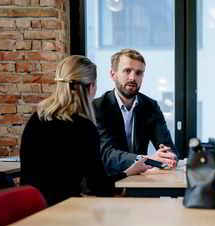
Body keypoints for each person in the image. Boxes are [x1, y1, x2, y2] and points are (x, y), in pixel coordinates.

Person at [20, 55, 151, 206]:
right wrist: (129, 172)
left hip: (31, 210)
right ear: (90, 86)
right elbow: (99, 187)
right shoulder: (83, 127)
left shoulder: (38, 117)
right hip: (63, 213)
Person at [93, 49, 178, 176]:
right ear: (113, 74)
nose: (133, 78)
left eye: (139, 73)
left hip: (141, 179)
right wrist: (148, 159)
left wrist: (168, 156)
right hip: (109, 183)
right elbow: (107, 155)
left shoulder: (151, 106)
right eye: (127, 71)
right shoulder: (97, 107)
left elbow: (168, 146)